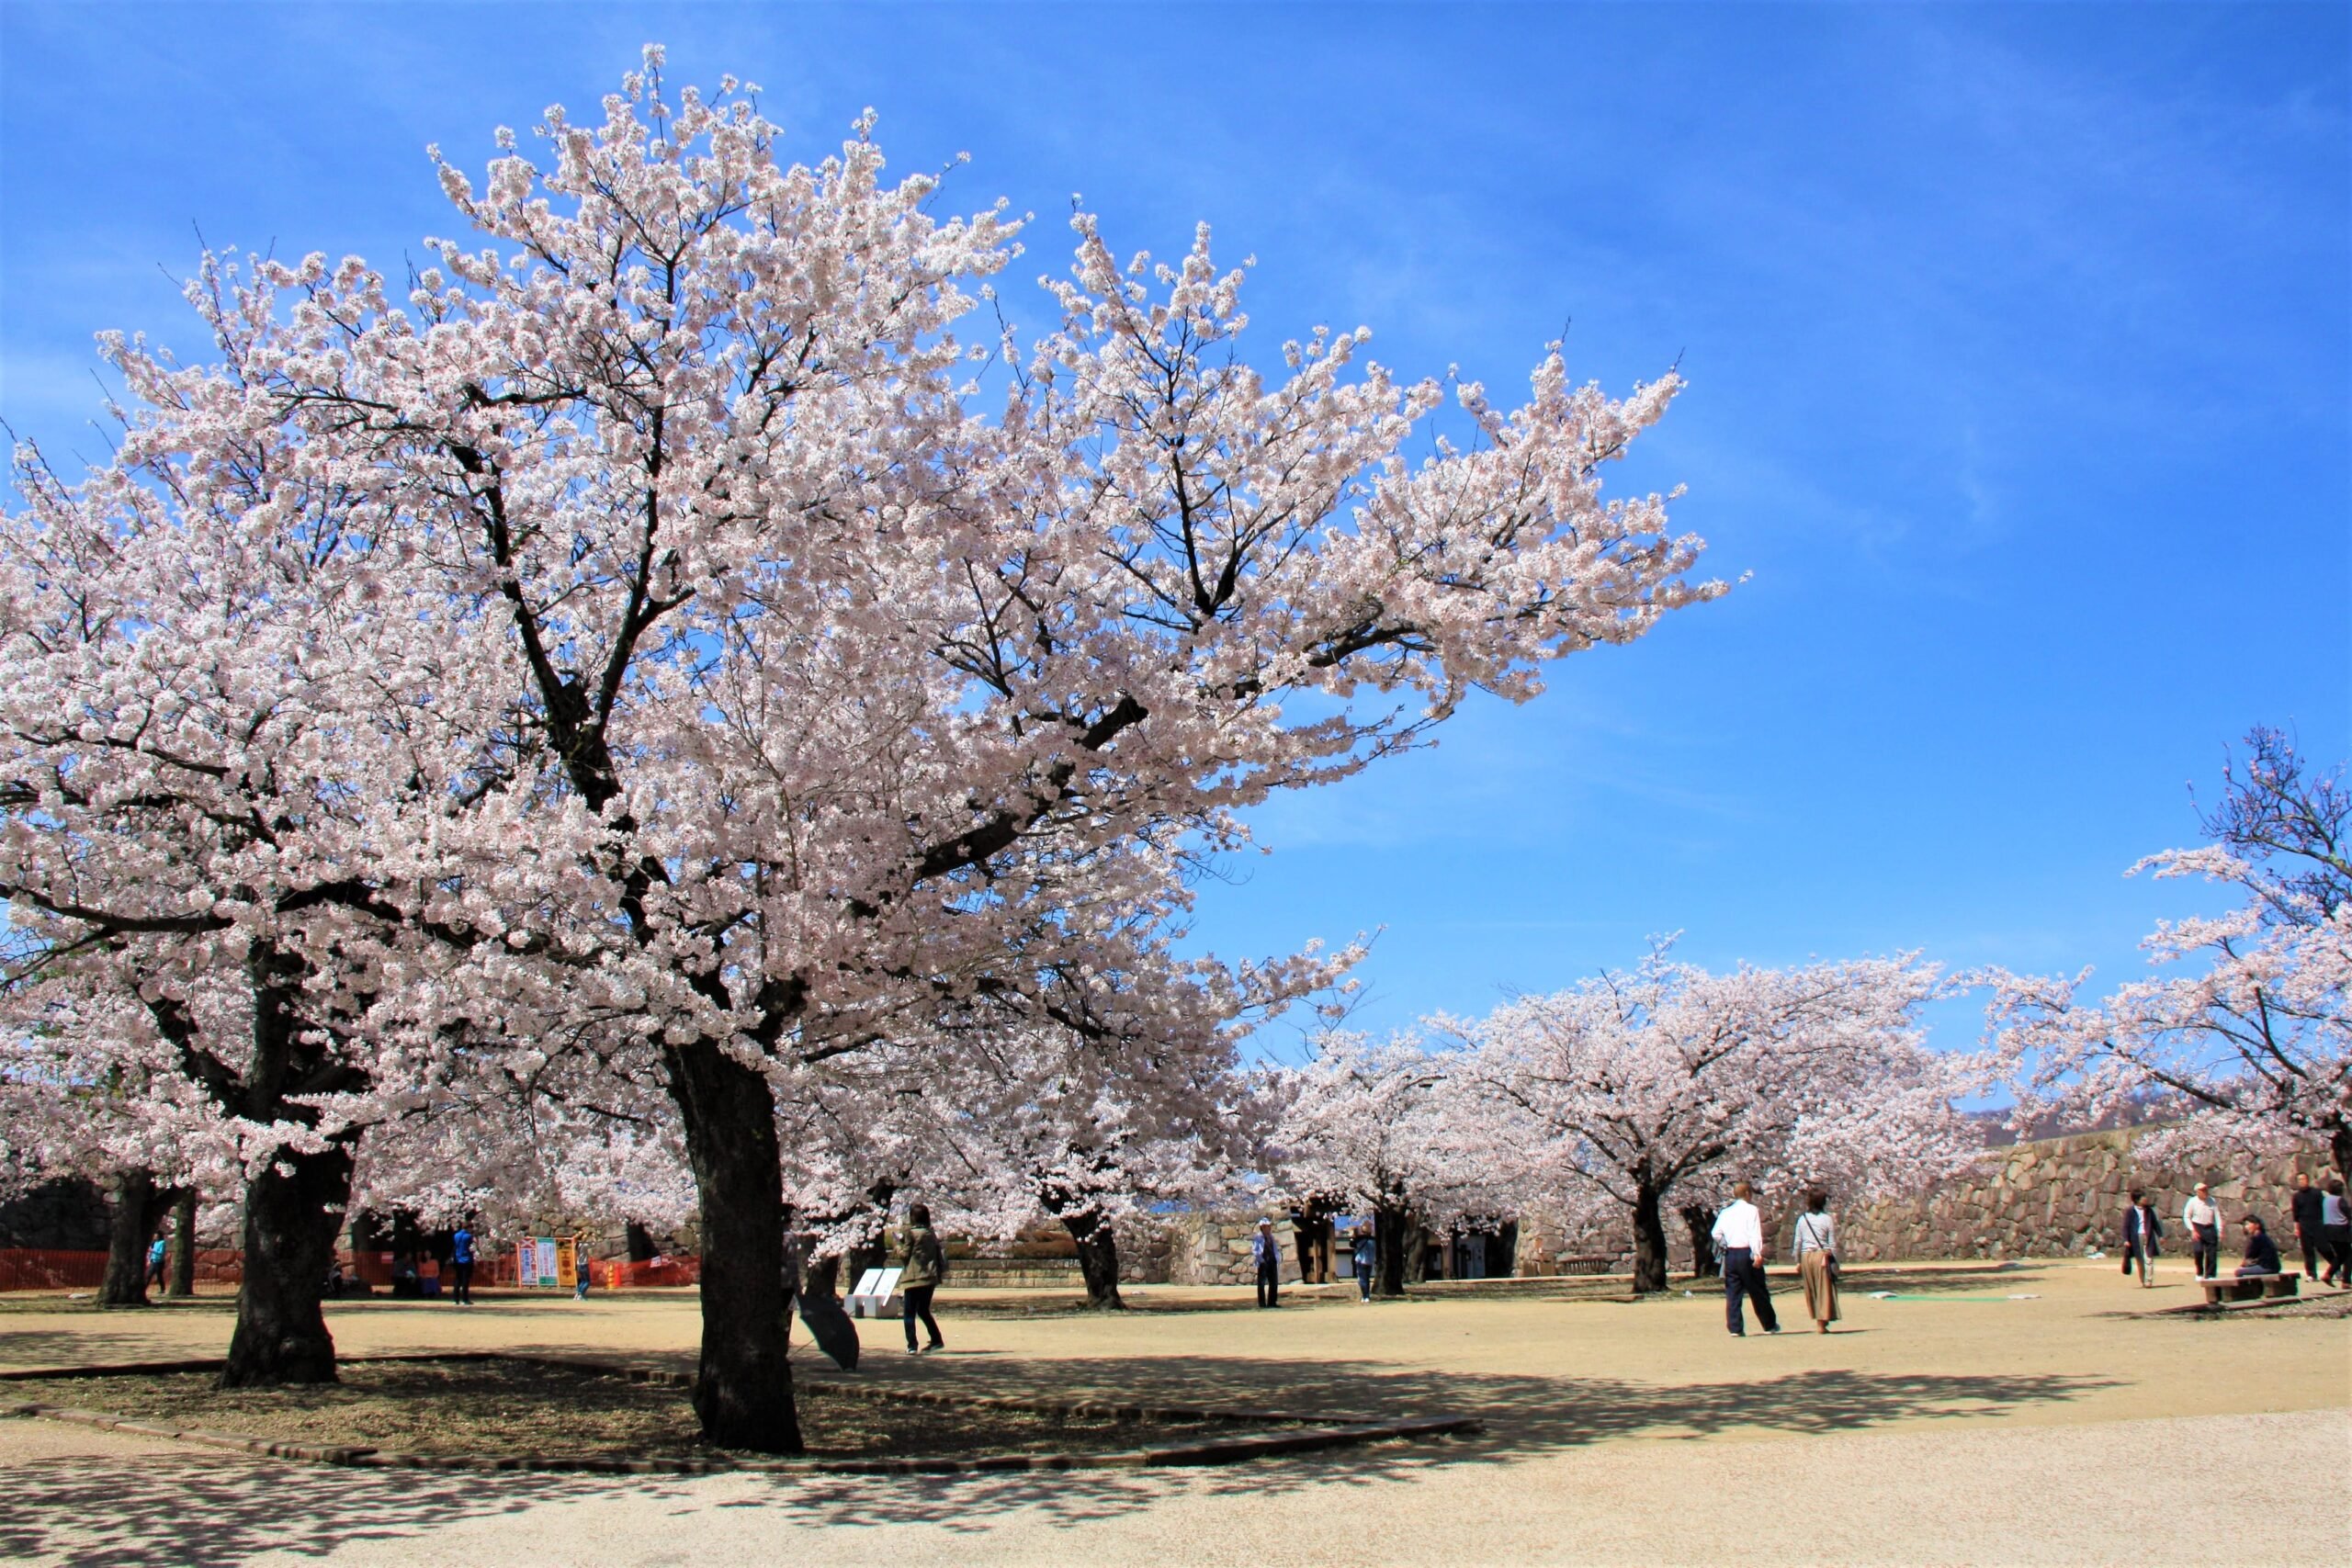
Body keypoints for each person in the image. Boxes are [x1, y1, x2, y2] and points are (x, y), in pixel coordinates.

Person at [1710, 1180, 1779, 1336]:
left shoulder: (1725, 1212)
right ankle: (1769, 1324)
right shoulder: (1751, 1210)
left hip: (1731, 1255)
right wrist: (1757, 1253)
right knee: (1758, 1290)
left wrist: (1725, 1244)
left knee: (1733, 1291)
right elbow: (1754, 1233)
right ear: (1747, 1193)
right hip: (1747, 1253)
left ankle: (1735, 1327)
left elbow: (1716, 1233)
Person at [898, 1203, 945, 1354]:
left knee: (909, 1312)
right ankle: (936, 1339)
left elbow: (905, 1255)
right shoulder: (931, 1233)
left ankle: (912, 1345)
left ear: (912, 1217)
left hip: (914, 1277)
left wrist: (897, 1247)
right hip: (930, 1276)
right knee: (923, 1310)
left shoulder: (911, 1233)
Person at [1792, 1190, 1839, 1334]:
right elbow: (1832, 1242)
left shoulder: (1802, 1219)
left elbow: (1798, 1241)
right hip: (1821, 1256)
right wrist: (1835, 1261)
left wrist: (1797, 1260)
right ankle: (1821, 1322)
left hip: (1806, 1256)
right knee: (1824, 1289)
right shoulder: (1827, 1219)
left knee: (1812, 1288)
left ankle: (1820, 1319)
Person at [2120, 1190, 2162, 1287]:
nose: (2145, 1198)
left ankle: (2148, 1281)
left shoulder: (2149, 1210)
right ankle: (2143, 1280)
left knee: (2149, 1258)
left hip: (2148, 1235)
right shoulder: (2130, 1211)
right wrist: (2126, 1239)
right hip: (2136, 1237)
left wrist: (2160, 1235)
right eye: (2143, 1197)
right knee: (2140, 1260)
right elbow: (2126, 1226)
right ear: (2137, 1199)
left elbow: (2155, 1223)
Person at [2181, 1181, 2222, 1279]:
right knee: (2198, 1250)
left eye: (2206, 1190)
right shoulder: (2192, 1202)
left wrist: (2220, 1230)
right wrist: (2192, 1230)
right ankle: (2199, 1272)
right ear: (2197, 1192)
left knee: (2212, 1253)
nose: (2205, 1192)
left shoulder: (2212, 1201)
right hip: (2197, 1227)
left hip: (2210, 1227)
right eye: (2203, 1190)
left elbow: (2217, 1216)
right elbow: (2187, 1216)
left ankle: (2210, 1274)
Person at [2290, 1173, 2325, 1280]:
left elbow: (2323, 1207)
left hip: (2317, 1224)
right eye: (2299, 1180)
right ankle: (2311, 1274)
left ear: (2307, 1180)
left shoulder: (2317, 1193)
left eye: (2303, 1179)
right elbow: (2296, 1215)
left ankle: (2336, 1269)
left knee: (2323, 1248)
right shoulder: (2296, 1197)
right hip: (2304, 1225)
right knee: (2308, 1251)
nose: (2301, 1181)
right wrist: (2296, 1228)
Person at [2319, 1179, 2349, 1288]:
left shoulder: (2326, 1200)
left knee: (2341, 1255)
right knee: (2348, 1255)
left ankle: (2328, 1274)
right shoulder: (2340, 1200)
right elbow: (2348, 1213)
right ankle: (2346, 1281)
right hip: (2340, 1229)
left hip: (2328, 1229)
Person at [2234, 1215, 2281, 1279]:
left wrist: (2242, 1265)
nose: (2246, 1227)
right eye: (2245, 1225)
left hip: (2266, 1267)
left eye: (2248, 1224)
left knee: (2238, 1272)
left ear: (2257, 1225)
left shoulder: (2257, 1238)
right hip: (2273, 1267)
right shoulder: (2263, 1236)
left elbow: (2249, 1256)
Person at [1251, 1217, 1283, 1309]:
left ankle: (1272, 1302)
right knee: (1261, 1283)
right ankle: (1262, 1303)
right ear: (1262, 1227)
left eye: (1269, 1226)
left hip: (1272, 1261)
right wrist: (1261, 1260)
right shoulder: (1258, 1237)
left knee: (1274, 1282)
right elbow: (1255, 1250)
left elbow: (1275, 1249)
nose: (1268, 1228)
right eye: (1266, 1226)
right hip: (1263, 1262)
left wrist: (1277, 1258)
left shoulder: (1271, 1237)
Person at [448, 1224, 475, 1306]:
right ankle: (465, 1299)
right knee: (465, 1280)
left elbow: (455, 1247)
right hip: (466, 1260)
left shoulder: (456, 1235)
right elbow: (472, 1248)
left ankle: (455, 1299)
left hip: (457, 1260)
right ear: (469, 1228)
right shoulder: (469, 1236)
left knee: (458, 1279)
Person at [1351, 1226, 1376, 1303]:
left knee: (1362, 1279)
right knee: (1367, 1279)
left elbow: (1352, 1244)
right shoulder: (1373, 1240)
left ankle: (1365, 1296)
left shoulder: (1360, 1240)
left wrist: (1353, 1236)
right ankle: (1367, 1296)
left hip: (1360, 1261)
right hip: (1370, 1261)